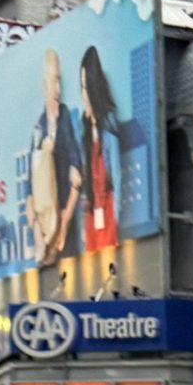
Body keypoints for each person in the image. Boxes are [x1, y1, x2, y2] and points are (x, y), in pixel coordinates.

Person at [26, 47, 83, 266]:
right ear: (45, 86)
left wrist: (65, 220)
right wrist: (37, 228)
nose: (58, 89)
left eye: (59, 81)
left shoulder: (65, 118)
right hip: (46, 221)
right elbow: (30, 181)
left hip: (64, 221)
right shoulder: (38, 128)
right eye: (53, 81)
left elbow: (76, 167)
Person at [77, 46, 121, 254]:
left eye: (86, 87)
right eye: (81, 87)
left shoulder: (109, 120)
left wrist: (118, 216)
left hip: (108, 207)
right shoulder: (83, 126)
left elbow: (116, 172)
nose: (83, 94)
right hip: (91, 212)